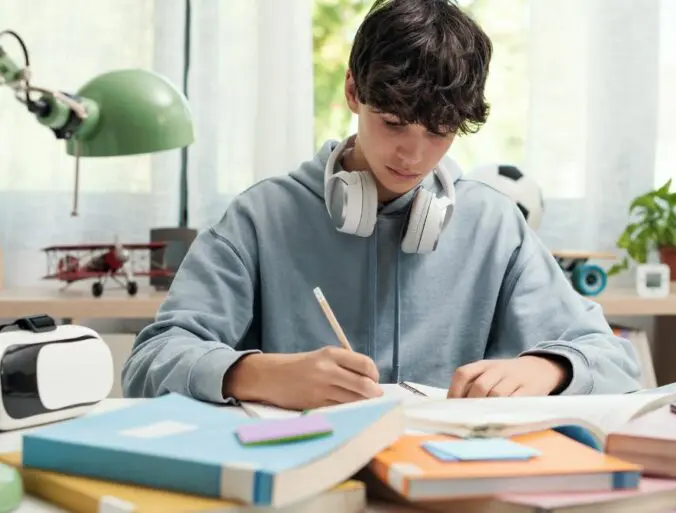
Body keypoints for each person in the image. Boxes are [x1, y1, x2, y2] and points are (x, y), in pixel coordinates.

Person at [121, 0, 642, 410]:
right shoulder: (261, 217)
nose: (414, 155)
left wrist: (549, 368)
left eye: (439, 132)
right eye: (393, 123)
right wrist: (259, 374)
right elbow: (151, 360)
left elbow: (613, 360)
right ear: (352, 89)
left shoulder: (494, 225)